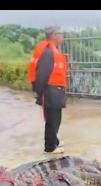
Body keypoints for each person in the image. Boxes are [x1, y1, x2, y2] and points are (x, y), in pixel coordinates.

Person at [34, 26, 68, 154]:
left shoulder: (55, 50)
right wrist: (39, 93)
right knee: (52, 119)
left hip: (57, 90)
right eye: (61, 33)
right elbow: (42, 74)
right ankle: (50, 147)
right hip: (50, 90)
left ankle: (54, 141)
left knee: (56, 118)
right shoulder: (48, 52)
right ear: (54, 35)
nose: (63, 36)